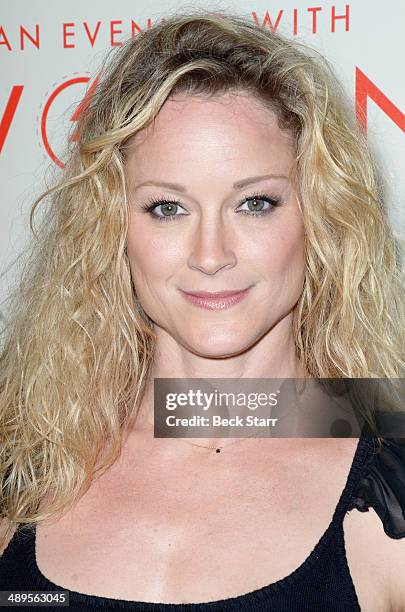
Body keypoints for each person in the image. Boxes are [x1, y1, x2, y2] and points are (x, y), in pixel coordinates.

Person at [1, 9, 405, 611]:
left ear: (321, 218)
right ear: (111, 227)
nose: (210, 255)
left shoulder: (387, 483)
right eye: (167, 207)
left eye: (255, 203)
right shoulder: (22, 461)